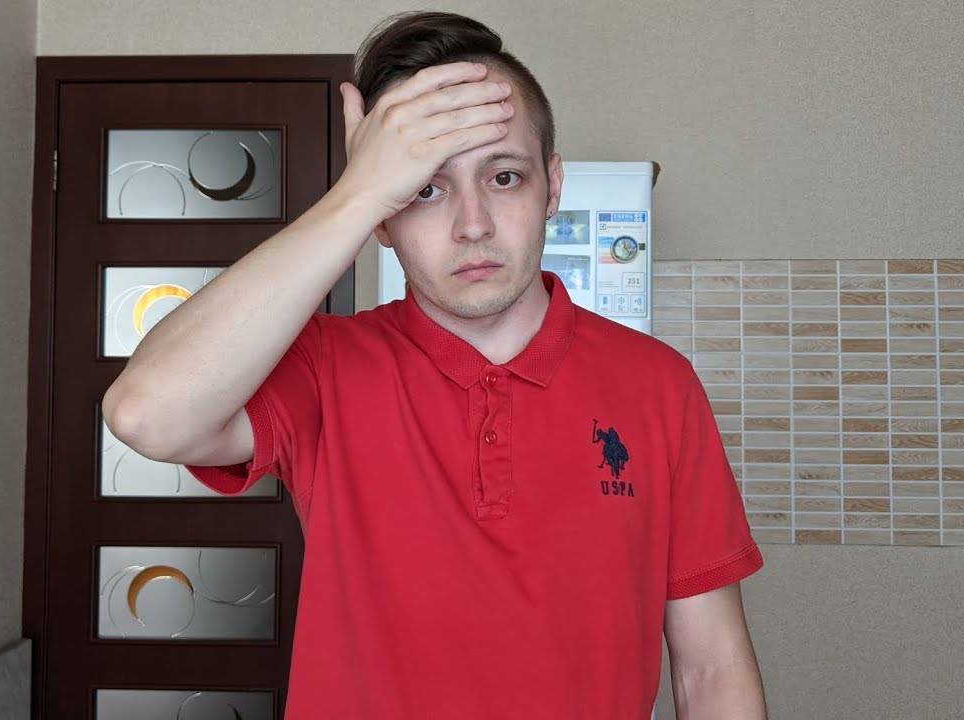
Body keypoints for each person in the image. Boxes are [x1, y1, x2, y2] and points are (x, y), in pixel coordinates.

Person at [102, 10, 767, 719]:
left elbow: (712, 669)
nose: (472, 224)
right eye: (425, 188)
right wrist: (356, 194)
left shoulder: (658, 383)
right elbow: (146, 415)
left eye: (504, 177)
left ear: (553, 186)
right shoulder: (324, 365)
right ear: (383, 221)